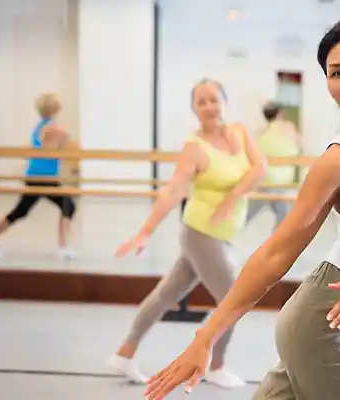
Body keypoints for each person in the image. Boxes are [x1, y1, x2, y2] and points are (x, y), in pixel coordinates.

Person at [144, 18, 340, 400]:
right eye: (337, 73)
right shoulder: (339, 163)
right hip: (326, 325)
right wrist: (205, 337)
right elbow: (276, 253)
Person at [108, 79, 266, 388]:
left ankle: (124, 353)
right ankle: (216, 365)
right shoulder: (195, 148)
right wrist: (144, 232)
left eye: (213, 99)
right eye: (201, 102)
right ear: (194, 109)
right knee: (233, 300)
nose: (208, 106)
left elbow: (260, 168)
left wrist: (231, 197)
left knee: (166, 294)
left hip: (219, 234)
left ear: (224, 101)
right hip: (201, 234)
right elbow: (172, 191)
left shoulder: (240, 131)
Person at [0, 93, 76, 261]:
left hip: (42, 176)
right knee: (65, 206)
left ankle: (64, 247)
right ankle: (63, 248)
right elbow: (62, 145)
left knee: (25, 211)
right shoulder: (52, 127)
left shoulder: (41, 125)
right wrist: (64, 142)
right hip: (42, 177)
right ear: (54, 109)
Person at [245, 101, 302, 231]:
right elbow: (299, 145)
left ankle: (227, 233)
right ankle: (277, 243)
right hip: (281, 182)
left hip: (262, 179)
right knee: (284, 219)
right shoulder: (288, 127)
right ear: (280, 113)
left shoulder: (261, 133)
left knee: (247, 213)